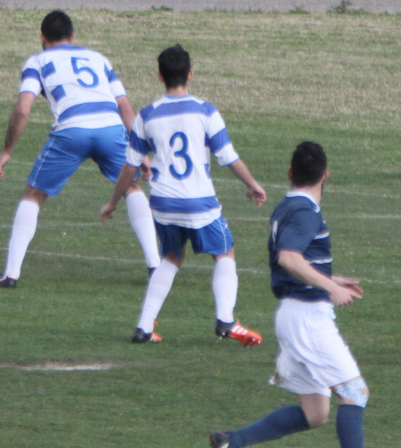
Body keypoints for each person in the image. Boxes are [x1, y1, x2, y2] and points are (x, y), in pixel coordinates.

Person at [100, 45, 266, 345]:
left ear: (160, 76)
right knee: (224, 253)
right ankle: (225, 320)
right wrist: (252, 183)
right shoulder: (205, 111)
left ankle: (144, 327)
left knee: (171, 258)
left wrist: (113, 202)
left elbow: (130, 166)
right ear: (190, 74)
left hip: (163, 204)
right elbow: (227, 157)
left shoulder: (146, 115)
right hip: (199, 203)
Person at [211, 141, 368, 448]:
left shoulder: (285, 207)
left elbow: (293, 263)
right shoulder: (305, 211)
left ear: (289, 173)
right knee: (355, 392)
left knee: (315, 413)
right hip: (308, 319)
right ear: (325, 176)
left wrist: (330, 278)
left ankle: (233, 441)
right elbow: (288, 259)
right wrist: (331, 287)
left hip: (292, 314)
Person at [0, 9, 161, 287]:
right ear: (73, 37)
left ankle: (10, 275)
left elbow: (22, 109)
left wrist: (7, 151)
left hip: (72, 131)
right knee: (132, 187)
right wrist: (140, 151)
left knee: (33, 195)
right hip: (110, 128)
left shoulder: (37, 61)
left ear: (42, 38)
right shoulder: (98, 59)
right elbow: (125, 107)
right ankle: (155, 266)